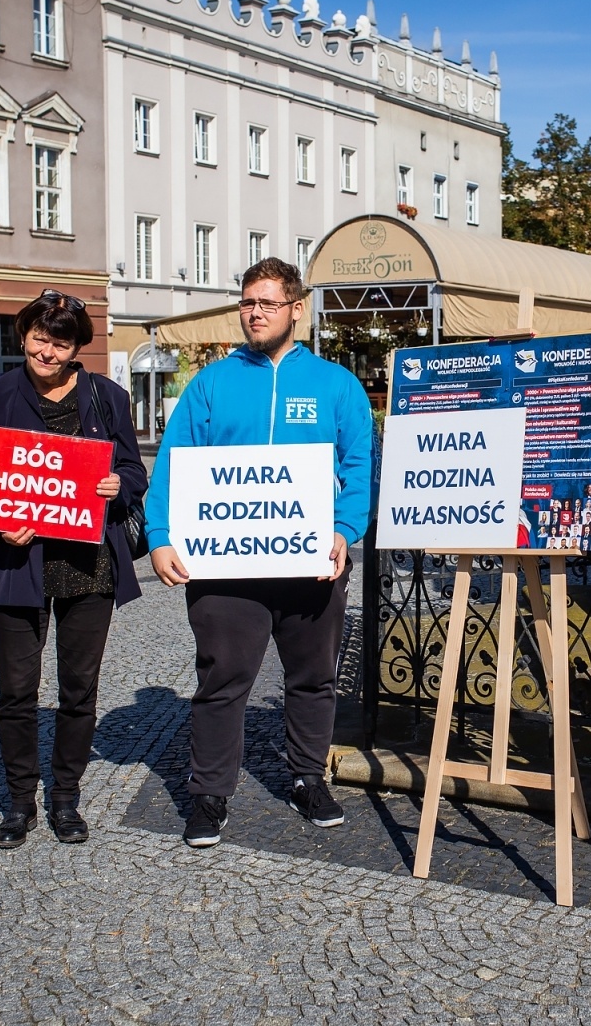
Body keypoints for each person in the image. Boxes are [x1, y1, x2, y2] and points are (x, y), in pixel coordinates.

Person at [146, 258, 372, 849]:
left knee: (313, 678)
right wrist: (160, 534)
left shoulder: (335, 384)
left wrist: (345, 530)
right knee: (222, 680)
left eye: (267, 303)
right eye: (247, 303)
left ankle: (306, 776)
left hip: (310, 563)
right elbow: (172, 461)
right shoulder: (212, 384)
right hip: (226, 567)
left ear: (298, 308)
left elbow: (357, 467)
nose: (254, 313)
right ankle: (209, 793)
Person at [0, 290, 148, 850]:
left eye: (59, 342)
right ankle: (20, 801)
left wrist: (119, 487)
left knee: (78, 689)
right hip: (19, 562)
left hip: (88, 563)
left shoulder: (106, 396)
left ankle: (64, 796)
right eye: (39, 338)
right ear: (23, 337)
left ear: (76, 347)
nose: (47, 350)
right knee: (16, 689)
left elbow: (135, 471)